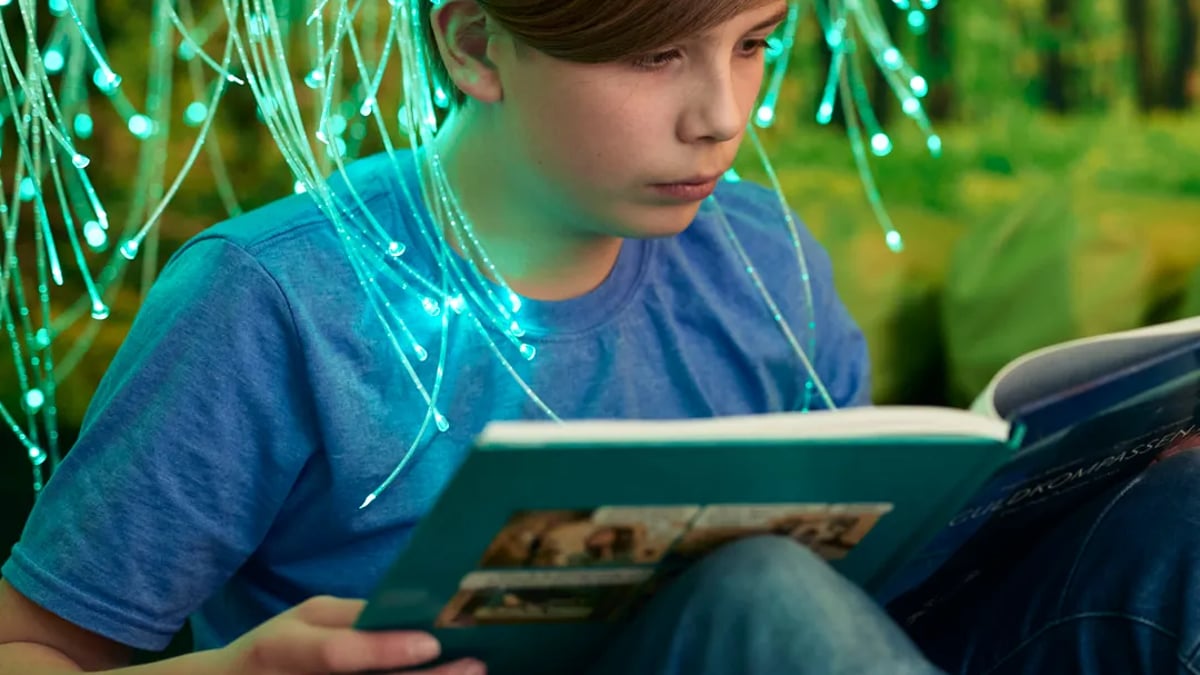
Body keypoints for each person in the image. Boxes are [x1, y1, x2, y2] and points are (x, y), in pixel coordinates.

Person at [1, 1, 1198, 674]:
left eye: (755, 42)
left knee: (1180, 521)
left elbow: (872, 590)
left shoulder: (764, 255)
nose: (721, 117)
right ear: (475, 46)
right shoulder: (271, 299)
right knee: (765, 592)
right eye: (654, 56)